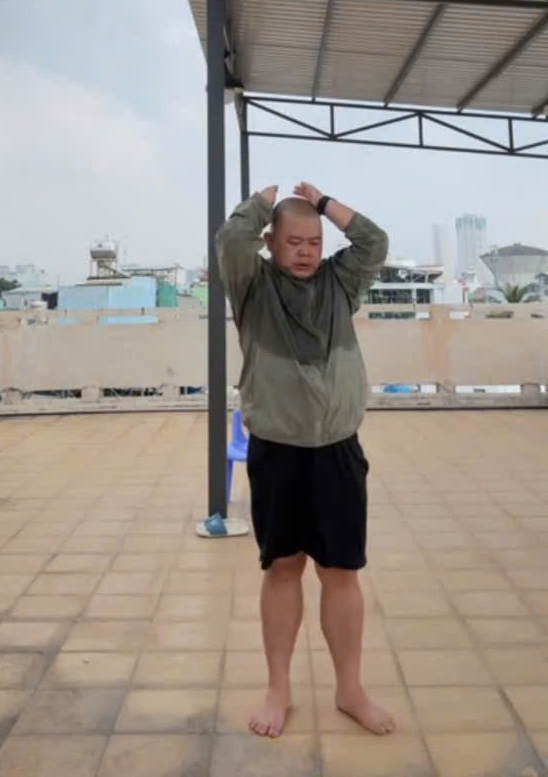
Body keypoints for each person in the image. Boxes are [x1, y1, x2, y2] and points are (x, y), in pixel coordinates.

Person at [216, 180, 392, 740]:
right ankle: (279, 689)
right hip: (278, 452)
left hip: (338, 449)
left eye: (314, 242)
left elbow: (374, 242)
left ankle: (350, 689)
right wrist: (262, 204)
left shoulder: (341, 283)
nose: (305, 252)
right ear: (271, 242)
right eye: (293, 242)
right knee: (283, 568)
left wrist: (324, 206)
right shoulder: (252, 286)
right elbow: (230, 241)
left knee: (341, 572)